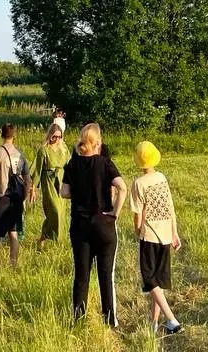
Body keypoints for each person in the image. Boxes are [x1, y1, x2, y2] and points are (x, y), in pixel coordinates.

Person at [61, 122, 127, 328]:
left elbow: (64, 192)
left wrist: (80, 194)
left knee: (81, 275)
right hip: (103, 224)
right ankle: (109, 320)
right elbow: (122, 188)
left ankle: (78, 319)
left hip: (80, 226)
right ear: (98, 142)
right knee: (106, 276)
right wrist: (114, 212)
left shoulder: (72, 164)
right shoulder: (105, 163)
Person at [130, 141, 182, 336]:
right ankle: (153, 323)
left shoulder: (138, 183)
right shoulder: (162, 178)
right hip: (166, 234)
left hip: (149, 236)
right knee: (158, 281)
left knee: (149, 280)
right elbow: (170, 207)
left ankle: (172, 319)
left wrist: (137, 230)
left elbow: (137, 214)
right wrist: (174, 232)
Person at [0, 123, 32, 277]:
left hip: (1, 197)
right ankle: (13, 268)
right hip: (16, 199)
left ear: (2, 134)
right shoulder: (20, 154)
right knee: (13, 233)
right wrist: (24, 198)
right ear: (14, 135)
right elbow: (28, 180)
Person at [29, 123, 70, 243]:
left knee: (61, 213)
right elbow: (37, 171)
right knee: (54, 211)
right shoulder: (44, 150)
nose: (57, 139)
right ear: (50, 136)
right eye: (54, 136)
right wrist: (33, 189)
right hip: (49, 183)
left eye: (59, 137)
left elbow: (70, 165)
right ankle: (48, 236)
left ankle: (54, 240)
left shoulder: (64, 149)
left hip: (61, 182)